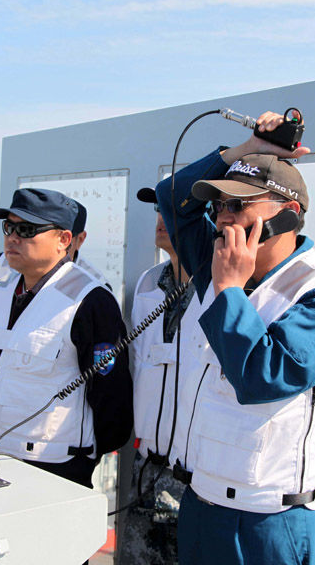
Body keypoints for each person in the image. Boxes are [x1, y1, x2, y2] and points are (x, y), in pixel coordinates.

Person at [155, 111, 315, 564]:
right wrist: (246, 150)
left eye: (239, 205)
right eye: (220, 205)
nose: (224, 218)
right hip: (201, 505)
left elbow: (262, 377)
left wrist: (228, 289)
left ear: (286, 218)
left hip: (269, 522)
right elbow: (173, 198)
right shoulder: (218, 264)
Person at [0, 188, 133, 489]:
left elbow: (112, 397)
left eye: (27, 229)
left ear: (64, 240)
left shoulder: (90, 300)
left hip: (55, 467)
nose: (12, 237)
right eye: (9, 227)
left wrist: (82, 457)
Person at [117, 188, 206, 564]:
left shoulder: (228, 289)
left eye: (176, 209)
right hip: (146, 470)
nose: (161, 217)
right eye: (159, 208)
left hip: (198, 480)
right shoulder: (147, 284)